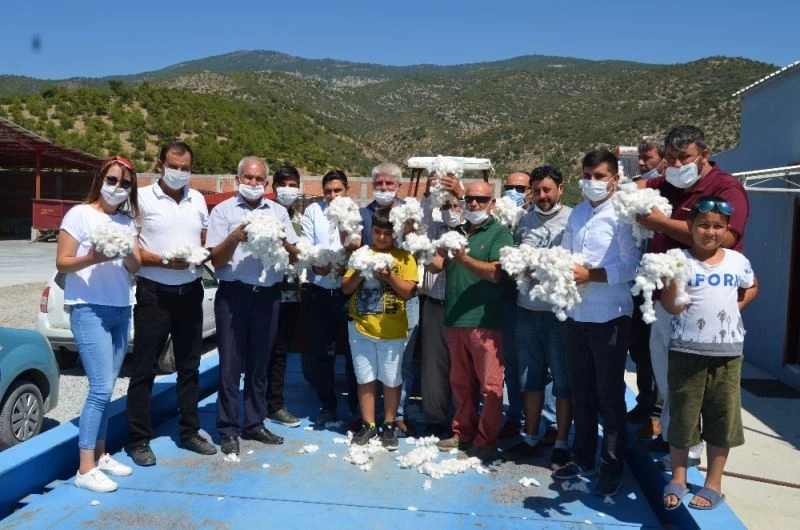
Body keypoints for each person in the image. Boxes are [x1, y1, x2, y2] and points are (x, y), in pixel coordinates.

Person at [636, 125, 749, 469]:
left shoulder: (726, 188)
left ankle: (692, 452)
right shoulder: (671, 181)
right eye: (669, 158)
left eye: (683, 157)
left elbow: (726, 238)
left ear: (704, 153)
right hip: (664, 300)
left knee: (698, 387)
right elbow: (643, 186)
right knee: (668, 377)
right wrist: (631, 189)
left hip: (702, 304)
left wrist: (659, 223)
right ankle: (674, 439)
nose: (675, 164)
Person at [552, 150, 641, 497]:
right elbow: (566, 251)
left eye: (600, 176)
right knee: (581, 390)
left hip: (610, 315)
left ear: (615, 179)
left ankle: (612, 464)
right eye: (588, 175)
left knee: (610, 394)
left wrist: (592, 274)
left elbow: (633, 265)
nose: (593, 182)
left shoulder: (622, 215)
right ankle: (583, 456)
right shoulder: (577, 213)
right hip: (577, 314)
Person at [661, 196, 758, 511]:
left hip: (728, 355)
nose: (710, 232)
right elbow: (670, 306)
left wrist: (737, 306)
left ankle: (714, 482)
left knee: (722, 419)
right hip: (686, 352)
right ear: (690, 227)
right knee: (683, 418)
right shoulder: (679, 261)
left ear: (728, 229)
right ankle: (678, 476)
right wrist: (673, 288)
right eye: (703, 225)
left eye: (718, 226)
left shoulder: (736, 260)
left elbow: (752, 285)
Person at [126, 141, 217, 467]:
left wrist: (203, 254)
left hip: (190, 293)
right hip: (154, 296)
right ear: (159, 164)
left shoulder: (198, 200)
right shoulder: (142, 197)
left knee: (189, 367)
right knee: (144, 369)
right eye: (173, 165)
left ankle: (190, 431)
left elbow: (204, 242)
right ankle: (138, 439)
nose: (180, 172)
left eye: (186, 167)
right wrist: (165, 260)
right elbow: (132, 250)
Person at [56, 156, 142, 492]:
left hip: (122, 308)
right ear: (100, 179)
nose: (117, 188)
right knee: (101, 388)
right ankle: (85, 467)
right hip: (88, 307)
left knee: (109, 386)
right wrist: (95, 255)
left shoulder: (127, 220)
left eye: (125, 183)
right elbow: (62, 262)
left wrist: (128, 247)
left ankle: (102, 454)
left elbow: (133, 267)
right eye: (112, 180)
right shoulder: (79, 214)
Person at [206, 156, 299, 456]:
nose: (254, 183)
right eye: (248, 178)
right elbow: (216, 259)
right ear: (238, 180)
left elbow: (295, 255)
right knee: (231, 365)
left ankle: (255, 423)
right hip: (234, 295)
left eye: (259, 179)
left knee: (261, 363)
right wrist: (235, 236)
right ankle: (228, 428)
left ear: (267, 183)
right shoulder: (223, 211)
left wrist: (283, 240)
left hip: (268, 296)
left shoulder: (278, 212)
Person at [431, 181, 514, 461]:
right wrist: (426, 249)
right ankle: (462, 433)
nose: (475, 204)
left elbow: (496, 274)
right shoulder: (456, 232)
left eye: (481, 199)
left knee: (490, 386)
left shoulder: (500, 234)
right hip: (455, 318)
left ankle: (486, 441)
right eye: (470, 199)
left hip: (485, 322)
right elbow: (436, 265)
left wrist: (464, 258)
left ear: (492, 202)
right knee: (460, 382)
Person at [504, 165, 573, 470]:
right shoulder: (521, 220)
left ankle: (560, 443)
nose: (543, 196)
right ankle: (530, 438)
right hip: (526, 311)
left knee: (562, 381)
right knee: (529, 379)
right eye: (537, 190)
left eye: (548, 189)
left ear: (560, 188)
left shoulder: (573, 220)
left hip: (559, 315)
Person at [341, 207, 418, 450]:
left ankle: (388, 424)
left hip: (392, 332)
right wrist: (362, 274)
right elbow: (345, 288)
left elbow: (408, 292)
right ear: (370, 232)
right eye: (377, 232)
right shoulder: (362, 253)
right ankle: (368, 424)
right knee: (364, 378)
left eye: (387, 233)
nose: (382, 237)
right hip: (361, 328)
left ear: (395, 234)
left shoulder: (405, 258)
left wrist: (388, 277)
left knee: (391, 380)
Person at [355, 162, 419, 437]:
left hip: (402, 295)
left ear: (398, 186)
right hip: (368, 299)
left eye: (389, 184)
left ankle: (396, 417)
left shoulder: (411, 213)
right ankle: (368, 419)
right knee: (366, 363)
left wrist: (410, 229)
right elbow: (354, 249)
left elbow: (418, 249)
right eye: (379, 184)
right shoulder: (360, 214)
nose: (383, 188)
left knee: (401, 360)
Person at [300, 170, 360, 425]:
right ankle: (327, 406)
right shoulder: (313, 211)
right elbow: (306, 244)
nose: (333, 195)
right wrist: (315, 264)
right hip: (320, 293)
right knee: (323, 354)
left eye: (338, 190)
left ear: (347, 190)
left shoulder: (356, 211)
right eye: (328, 191)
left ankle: (357, 408)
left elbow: (358, 244)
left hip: (349, 293)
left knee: (353, 354)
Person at [627, 135, 667, 441]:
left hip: (660, 291)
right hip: (637, 287)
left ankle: (657, 416)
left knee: (657, 355)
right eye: (640, 157)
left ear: (663, 160)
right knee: (640, 351)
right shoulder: (638, 192)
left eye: (648, 158)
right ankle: (644, 404)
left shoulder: (666, 197)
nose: (642, 162)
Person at [419, 176, 462, 437]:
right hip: (435, 304)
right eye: (445, 206)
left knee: (462, 368)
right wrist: (427, 194)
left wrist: (462, 193)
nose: (451, 211)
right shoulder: (435, 229)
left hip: (463, 310)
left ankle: (461, 419)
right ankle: (435, 418)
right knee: (434, 367)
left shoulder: (473, 228)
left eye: (455, 205)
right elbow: (420, 224)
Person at [265, 165, 304, 428]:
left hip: (291, 292)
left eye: (293, 184)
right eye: (283, 184)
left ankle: (274, 404)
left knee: (280, 350)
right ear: (273, 186)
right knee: (261, 349)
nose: (288, 189)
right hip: (266, 290)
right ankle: (255, 401)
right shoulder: (264, 213)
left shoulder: (300, 218)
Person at [497, 171, 527, 439]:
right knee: (512, 363)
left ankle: (547, 421)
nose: (513, 191)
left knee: (542, 366)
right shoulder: (499, 218)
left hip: (535, 304)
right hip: (507, 301)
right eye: (509, 187)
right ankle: (515, 415)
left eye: (519, 187)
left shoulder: (532, 219)